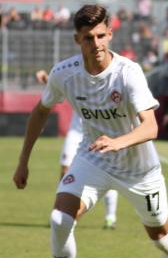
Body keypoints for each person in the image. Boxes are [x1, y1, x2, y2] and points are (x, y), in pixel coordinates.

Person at [13, 4, 168, 258]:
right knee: (59, 218)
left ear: (110, 34)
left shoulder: (128, 73)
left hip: (138, 168)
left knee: (160, 235)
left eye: (101, 35)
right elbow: (40, 111)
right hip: (94, 158)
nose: (96, 44)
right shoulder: (65, 73)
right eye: (88, 38)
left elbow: (151, 127)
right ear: (78, 40)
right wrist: (23, 161)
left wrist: (117, 141)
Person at [35, 69, 119, 229]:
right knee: (65, 171)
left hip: (98, 134)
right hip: (76, 132)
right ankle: (60, 212)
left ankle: (110, 217)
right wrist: (47, 78)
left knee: (107, 173)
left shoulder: (109, 83)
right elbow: (60, 86)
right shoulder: (77, 78)